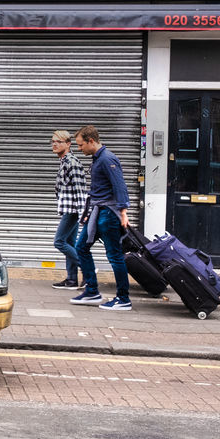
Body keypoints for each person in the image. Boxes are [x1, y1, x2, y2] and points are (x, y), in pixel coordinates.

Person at [70, 125, 133, 311]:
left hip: (108, 213)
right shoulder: (98, 158)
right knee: (81, 247)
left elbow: (119, 186)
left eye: (81, 145)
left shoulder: (107, 159)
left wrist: (123, 212)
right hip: (97, 211)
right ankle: (92, 291)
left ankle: (123, 299)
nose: (79, 149)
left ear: (91, 141)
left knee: (114, 256)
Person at [50, 130, 86, 289]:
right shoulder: (65, 162)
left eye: (59, 141)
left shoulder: (72, 163)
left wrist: (83, 214)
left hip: (73, 210)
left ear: (68, 144)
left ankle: (87, 268)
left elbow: (80, 190)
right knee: (70, 242)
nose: (55, 144)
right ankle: (72, 279)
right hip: (68, 209)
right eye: (53, 141)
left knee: (59, 242)